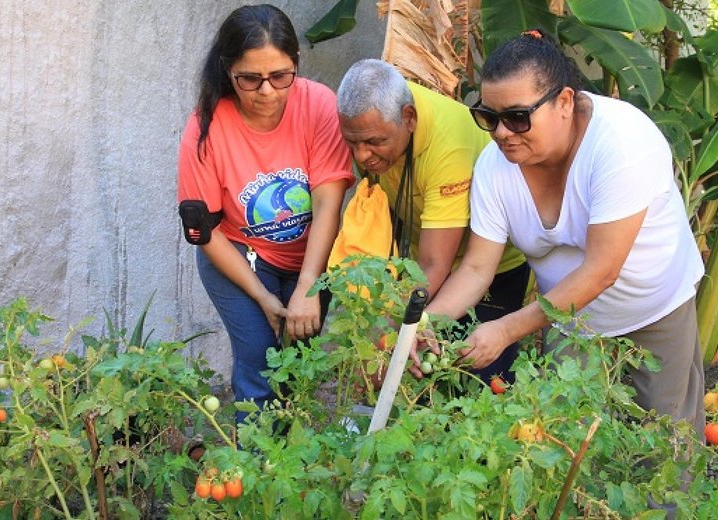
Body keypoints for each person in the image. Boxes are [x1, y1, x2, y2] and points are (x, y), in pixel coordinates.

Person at [424, 29, 706, 435]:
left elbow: (601, 271)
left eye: (517, 117)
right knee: (566, 442)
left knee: (662, 448)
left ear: (564, 102)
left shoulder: (622, 144)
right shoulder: (494, 165)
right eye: (489, 117)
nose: (502, 132)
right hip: (567, 322)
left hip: (652, 313)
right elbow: (475, 269)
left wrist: (504, 330)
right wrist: (424, 326)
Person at [176, 4, 354, 423]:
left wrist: (309, 286)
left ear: (296, 64)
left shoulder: (318, 105)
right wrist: (261, 295)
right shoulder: (204, 128)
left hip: (310, 256)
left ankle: (290, 470)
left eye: (280, 76)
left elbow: (329, 201)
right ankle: (253, 476)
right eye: (250, 79)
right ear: (227, 70)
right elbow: (205, 233)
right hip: (238, 256)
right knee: (259, 362)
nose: (267, 91)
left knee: (297, 368)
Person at [336, 59, 530, 383]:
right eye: (352, 142)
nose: (361, 156)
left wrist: (389, 326)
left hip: (492, 266)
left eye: (373, 142)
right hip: (428, 262)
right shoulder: (376, 119)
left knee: (479, 379)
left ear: (408, 118)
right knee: (425, 373)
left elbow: (434, 263)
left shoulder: (446, 147)